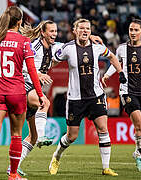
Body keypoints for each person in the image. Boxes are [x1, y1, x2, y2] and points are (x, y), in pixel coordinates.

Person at [6, 20, 103, 176]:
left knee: (32, 136)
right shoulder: (34, 47)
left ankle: (13, 168)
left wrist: (89, 37)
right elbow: (21, 67)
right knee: (44, 102)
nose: (54, 34)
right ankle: (42, 136)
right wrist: (37, 74)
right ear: (43, 33)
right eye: (51, 31)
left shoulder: (55, 46)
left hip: (33, 88)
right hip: (22, 86)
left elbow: (72, 45)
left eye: (55, 31)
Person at [49, 18, 126, 176]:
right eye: (81, 28)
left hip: (96, 96)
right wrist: (41, 71)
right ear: (75, 30)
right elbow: (52, 62)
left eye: (88, 29)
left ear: (91, 31)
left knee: (103, 128)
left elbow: (112, 57)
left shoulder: (97, 47)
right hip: (75, 99)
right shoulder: (67, 48)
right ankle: (56, 156)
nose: (85, 31)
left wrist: (121, 72)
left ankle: (106, 167)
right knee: (72, 136)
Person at [0, 6, 46, 180]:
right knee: (16, 135)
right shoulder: (24, 42)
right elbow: (32, 71)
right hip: (17, 93)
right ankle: (14, 174)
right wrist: (40, 95)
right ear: (19, 22)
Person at [102, 19, 141, 172]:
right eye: (131, 29)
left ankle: (137, 153)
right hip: (127, 91)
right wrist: (107, 75)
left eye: (136, 30)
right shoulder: (122, 48)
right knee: (140, 126)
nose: (133, 32)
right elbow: (116, 64)